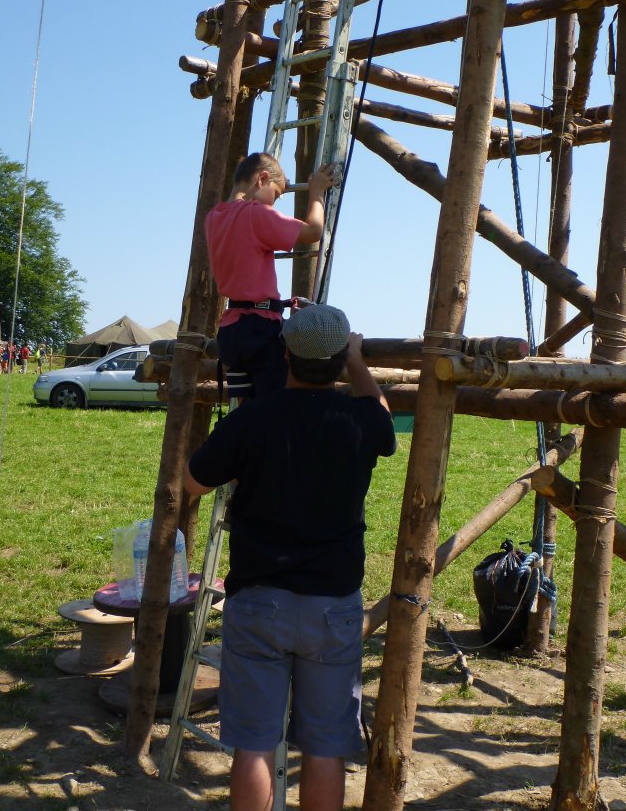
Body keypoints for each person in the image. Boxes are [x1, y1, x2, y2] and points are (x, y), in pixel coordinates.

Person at [184, 304, 396, 811]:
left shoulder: (254, 417)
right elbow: (384, 421)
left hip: (258, 601)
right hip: (333, 605)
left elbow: (193, 481)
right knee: (326, 748)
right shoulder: (359, 418)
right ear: (340, 359)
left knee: (253, 745)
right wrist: (359, 362)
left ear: (285, 354)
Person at [205, 151, 335, 399]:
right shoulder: (256, 214)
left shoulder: (214, 217)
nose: (274, 204)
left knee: (248, 408)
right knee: (277, 406)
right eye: (276, 195)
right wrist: (316, 193)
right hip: (260, 329)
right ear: (262, 179)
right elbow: (314, 232)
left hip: (231, 331)